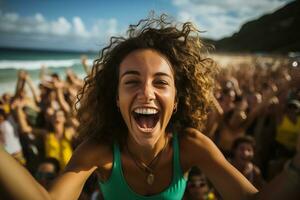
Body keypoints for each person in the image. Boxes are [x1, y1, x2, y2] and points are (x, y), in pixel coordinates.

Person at [0, 14, 300, 200]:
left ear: (177, 99)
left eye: (160, 82)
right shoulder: (99, 151)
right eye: (131, 81)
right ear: (115, 99)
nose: (146, 92)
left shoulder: (193, 145)